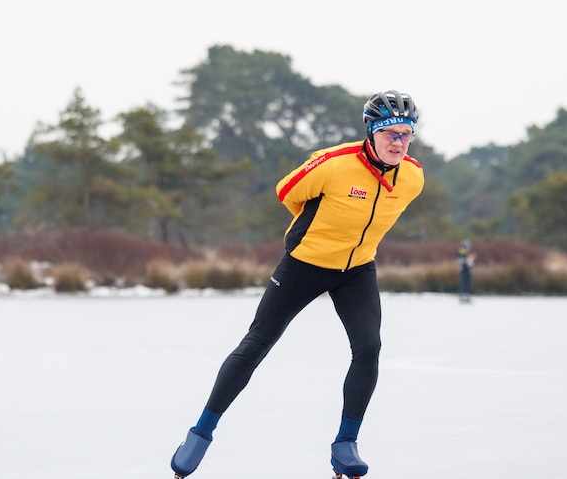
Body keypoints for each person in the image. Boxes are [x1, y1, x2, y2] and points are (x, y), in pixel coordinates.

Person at [169, 90, 425, 479]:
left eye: (406, 134)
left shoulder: (413, 177)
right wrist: (316, 231)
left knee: (369, 347)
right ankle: (200, 434)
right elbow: (287, 193)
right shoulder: (334, 164)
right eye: (391, 133)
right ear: (371, 132)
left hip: (357, 269)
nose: (399, 142)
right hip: (304, 264)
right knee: (256, 344)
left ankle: (345, 445)